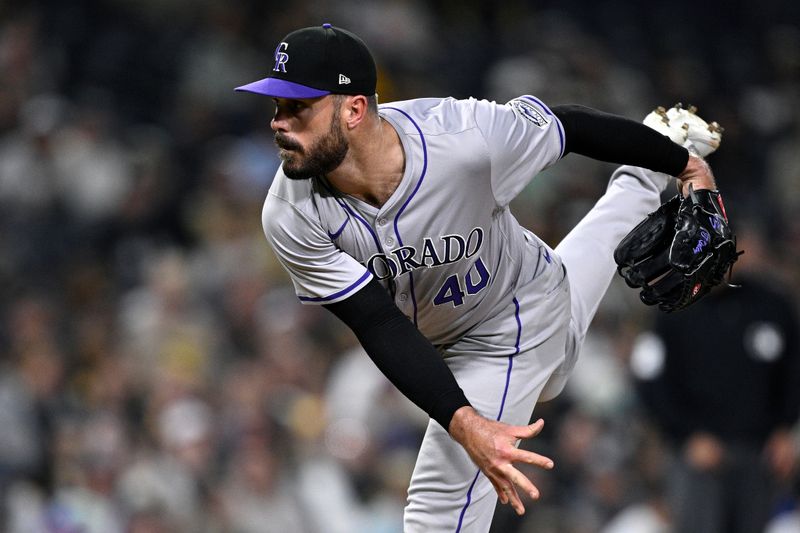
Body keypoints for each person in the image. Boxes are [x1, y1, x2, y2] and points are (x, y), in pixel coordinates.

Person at [234, 23, 717, 532]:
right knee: (561, 335)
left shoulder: (462, 138)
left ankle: (660, 157)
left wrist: (686, 166)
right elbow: (376, 323)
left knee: (436, 514)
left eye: (297, 107)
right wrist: (465, 420)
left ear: (353, 109)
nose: (279, 123)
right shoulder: (290, 213)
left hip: (509, 318)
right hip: (496, 312)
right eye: (276, 107)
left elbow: (569, 127)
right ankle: (642, 178)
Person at [632, 222, 800, 533]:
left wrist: (785, 429)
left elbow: (793, 372)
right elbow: (649, 379)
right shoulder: (672, 308)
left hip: (760, 453)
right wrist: (685, 436)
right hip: (699, 456)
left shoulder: (772, 305)